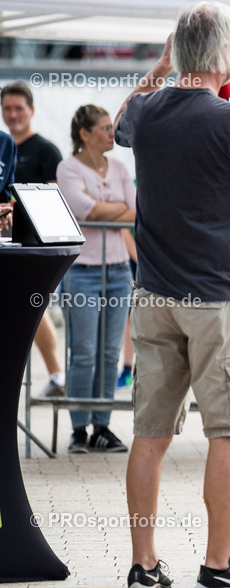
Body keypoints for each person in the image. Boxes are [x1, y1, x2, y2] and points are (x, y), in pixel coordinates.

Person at [115, 1, 230, 588]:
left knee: (150, 433)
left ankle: (143, 563)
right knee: (229, 432)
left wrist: (159, 69)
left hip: (155, 292)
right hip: (218, 297)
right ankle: (217, 565)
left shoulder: (149, 108)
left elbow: (122, 124)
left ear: (178, 51)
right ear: (223, 55)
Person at [57, 105, 136, 454]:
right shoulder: (68, 168)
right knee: (83, 353)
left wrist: (109, 209)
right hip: (82, 272)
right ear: (85, 134)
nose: (111, 134)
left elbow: (135, 212)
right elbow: (82, 210)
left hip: (118, 270)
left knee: (108, 353)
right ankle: (78, 429)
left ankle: (101, 426)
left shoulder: (119, 167)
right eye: (105, 128)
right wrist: (115, 208)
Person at [2, 81, 66, 401]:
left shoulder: (46, 151)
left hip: (35, 252)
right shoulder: (1, 147)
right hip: (4, 247)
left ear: (32, 111)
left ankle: (57, 375)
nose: (13, 115)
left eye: (19, 108)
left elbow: (56, 203)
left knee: (33, 310)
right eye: (7, 109)